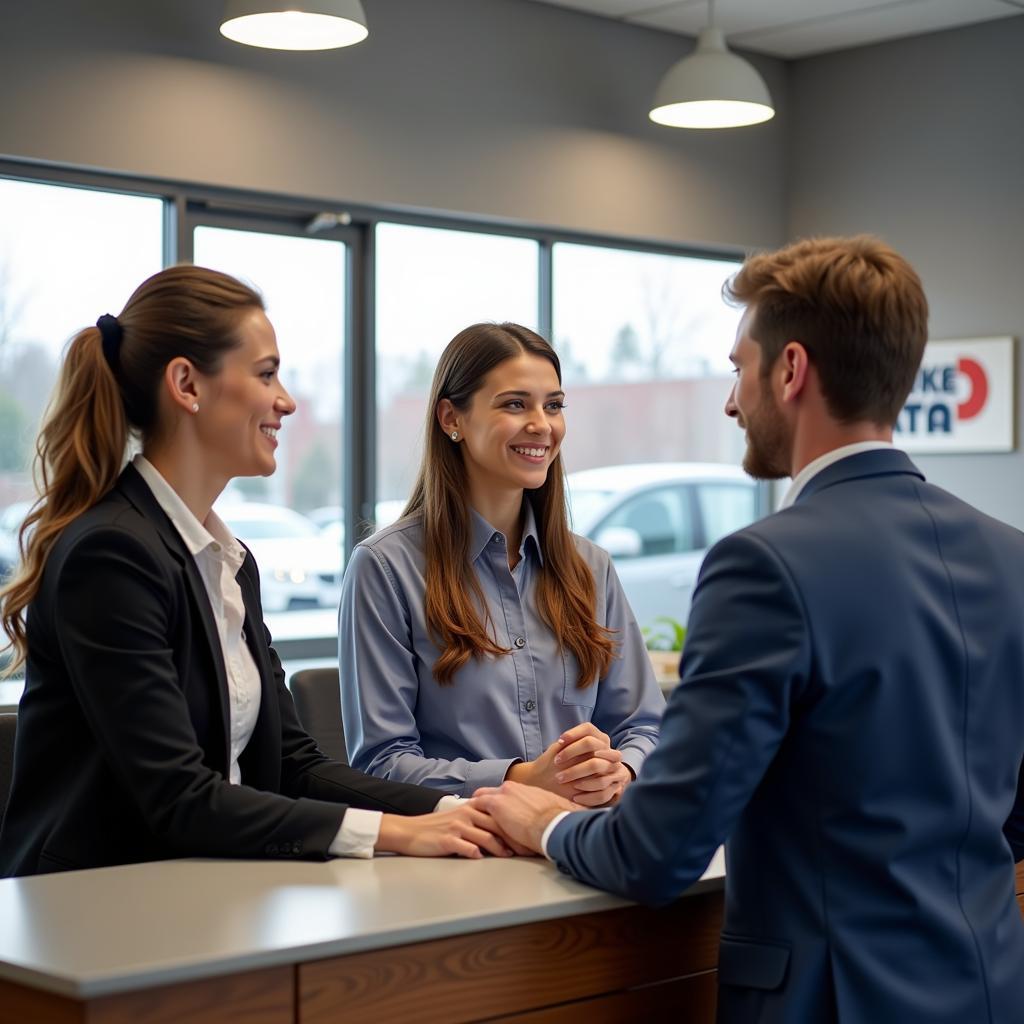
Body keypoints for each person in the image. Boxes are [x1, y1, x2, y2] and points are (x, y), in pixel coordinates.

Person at [473, 236, 1024, 1023]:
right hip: (988, 988)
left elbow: (658, 852)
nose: (731, 402)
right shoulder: (1012, 556)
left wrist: (552, 823)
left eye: (739, 369)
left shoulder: (765, 565)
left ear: (791, 371)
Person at [0, 266, 513, 878]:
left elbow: (293, 764)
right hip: (94, 909)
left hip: (209, 889)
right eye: (266, 373)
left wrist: (469, 809)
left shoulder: (228, 562)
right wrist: (398, 832)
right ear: (187, 385)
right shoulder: (110, 555)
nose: (286, 400)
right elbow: (180, 798)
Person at [339, 322, 664, 805]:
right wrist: (518, 780)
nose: (542, 424)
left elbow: (644, 727)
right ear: (452, 418)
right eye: (515, 404)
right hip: (461, 858)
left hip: (582, 841)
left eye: (553, 405)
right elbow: (381, 763)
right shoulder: (385, 569)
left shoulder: (590, 567)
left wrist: (622, 773)